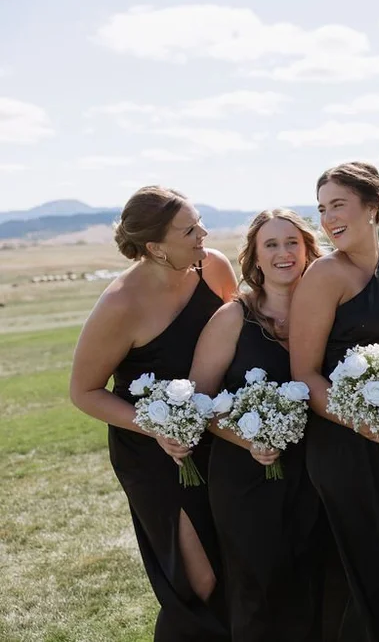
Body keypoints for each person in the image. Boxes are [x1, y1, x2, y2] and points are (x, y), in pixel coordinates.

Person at [69, 186, 236, 641]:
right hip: (152, 451)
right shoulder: (120, 304)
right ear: (156, 247)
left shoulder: (213, 266)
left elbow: (237, 332)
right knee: (199, 579)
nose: (203, 234)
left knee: (236, 560)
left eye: (199, 223)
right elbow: (84, 392)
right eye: (190, 230)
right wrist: (157, 427)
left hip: (218, 434)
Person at [289, 162, 379, 642]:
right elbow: (305, 374)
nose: (328, 219)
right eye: (322, 209)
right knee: (370, 571)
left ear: (372, 207)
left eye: (338, 205)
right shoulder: (325, 275)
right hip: (346, 446)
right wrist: (359, 421)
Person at [189, 209, 329, 641]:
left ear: (307, 250)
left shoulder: (328, 310)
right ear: (254, 256)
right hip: (246, 477)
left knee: (316, 585)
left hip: (316, 472)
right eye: (271, 244)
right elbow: (197, 400)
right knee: (258, 589)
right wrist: (248, 440)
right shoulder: (233, 318)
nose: (283, 253)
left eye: (292, 243)